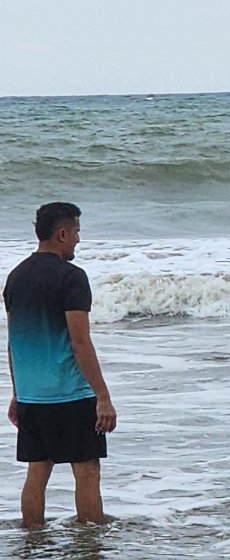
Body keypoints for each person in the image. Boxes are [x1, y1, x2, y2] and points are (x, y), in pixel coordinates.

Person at [4, 202, 117, 529]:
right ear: (62, 233)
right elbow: (80, 341)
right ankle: (91, 548)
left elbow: (15, 341)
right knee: (87, 471)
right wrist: (103, 397)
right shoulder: (72, 277)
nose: (78, 240)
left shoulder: (16, 277)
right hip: (69, 392)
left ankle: (33, 545)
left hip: (31, 395)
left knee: (37, 471)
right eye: (77, 233)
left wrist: (17, 393)